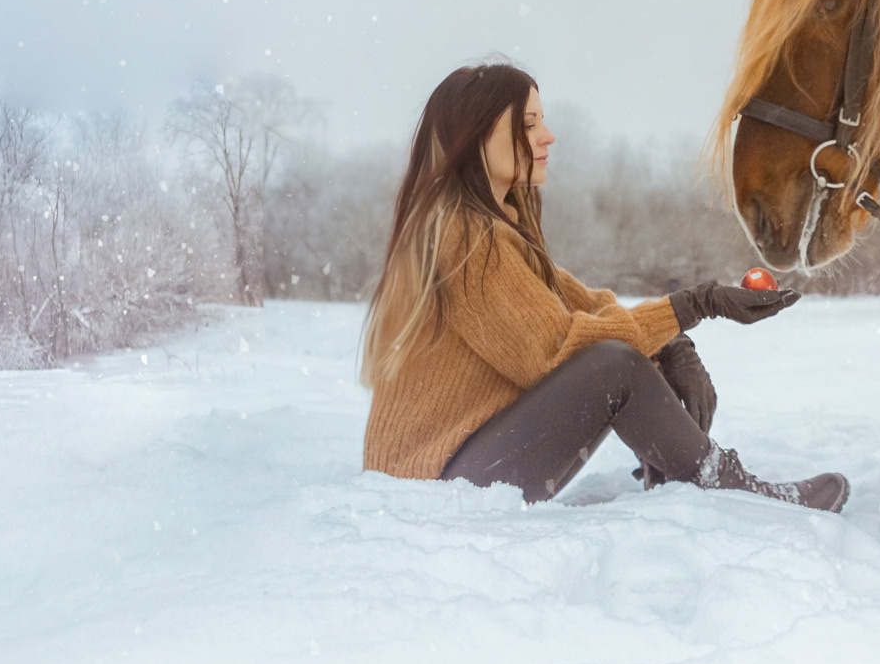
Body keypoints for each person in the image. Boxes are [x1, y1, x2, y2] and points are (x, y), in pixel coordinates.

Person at [359, 61, 848, 511]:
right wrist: (697, 304)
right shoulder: (463, 237)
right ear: (474, 136)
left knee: (620, 357)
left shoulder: (490, 228)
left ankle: (688, 475)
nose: (547, 136)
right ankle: (730, 489)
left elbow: (587, 307)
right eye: (527, 124)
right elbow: (558, 349)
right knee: (613, 366)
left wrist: (672, 344)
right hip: (429, 490)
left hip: (456, 470)